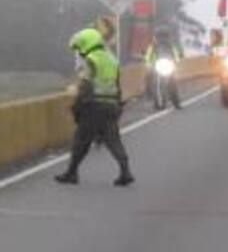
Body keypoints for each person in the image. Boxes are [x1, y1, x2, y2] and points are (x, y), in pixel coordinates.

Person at [55, 28, 134, 187]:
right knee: (113, 139)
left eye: (79, 47)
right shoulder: (112, 59)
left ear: (85, 43)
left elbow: (86, 85)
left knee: (81, 140)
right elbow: (117, 85)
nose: (78, 51)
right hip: (111, 105)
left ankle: (71, 173)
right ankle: (125, 171)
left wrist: (76, 104)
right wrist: (118, 105)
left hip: (93, 106)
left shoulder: (90, 60)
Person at [144, 27, 183, 109]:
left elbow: (176, 55)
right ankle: (151, 97)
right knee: (148, 77)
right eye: (160, 36)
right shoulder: (153, 46)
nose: (162, 38)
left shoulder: (170, 46)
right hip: (157, 66)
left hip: (168, 65)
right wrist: (149, 64)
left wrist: (176, 61)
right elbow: (147, 56)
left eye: (164, 36)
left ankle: (176, 102)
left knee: (173, 83)